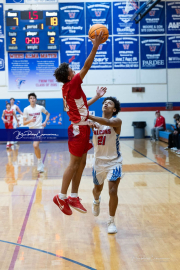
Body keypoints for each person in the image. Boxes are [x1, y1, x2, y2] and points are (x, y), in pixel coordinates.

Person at [53, 31, 106, 216]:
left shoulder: (68, 89)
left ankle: (74, 196)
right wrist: (96, 46)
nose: (74, 71)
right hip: (78, 129)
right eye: (71, 71)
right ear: (69, 77)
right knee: (73, 164)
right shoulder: (73, 83)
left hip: (82, 127)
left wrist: (97, 97)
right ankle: (61, 196)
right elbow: (87, 65)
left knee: (82, 162)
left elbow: (80, 107)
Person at [88, 97, 122, 234]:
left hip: (114, 161)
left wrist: (88, 115)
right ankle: (96, 200)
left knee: (113, 191)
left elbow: (107, 121)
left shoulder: (116, 121)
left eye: (109, 103)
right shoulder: (93, 122)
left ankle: (111, 220)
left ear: (114, 109)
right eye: (104, 102)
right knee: (97, 189)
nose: (106, 104)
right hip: (98, 162)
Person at [23, 93, 50, 173]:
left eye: (34, 98)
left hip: (39, 128)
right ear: (29, 100)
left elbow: (48, 114)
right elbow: (24, 123)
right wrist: (30, 120)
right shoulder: (26, 109)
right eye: (31, 98)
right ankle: (40, 161)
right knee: (36, 146)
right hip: (32, 129)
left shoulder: (40, 107)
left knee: (35, 145)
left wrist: (45, 121)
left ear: (36, 99)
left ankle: (39, 163)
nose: (32, 99)